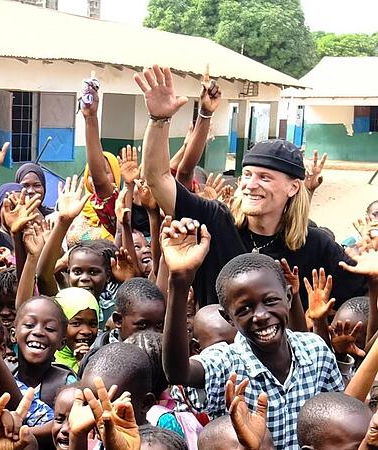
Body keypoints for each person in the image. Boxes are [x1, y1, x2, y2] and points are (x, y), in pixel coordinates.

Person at [136, 64, 366, 307]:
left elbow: (362, 295)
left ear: (293, 188)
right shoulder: (214, 222)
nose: (250, 185)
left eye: (265, 178)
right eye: (247, 174)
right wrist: (159, 120)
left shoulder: (317, 246)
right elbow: (157, 178)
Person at [160, 216, 345, 449]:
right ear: (229, 318)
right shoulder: (226, 363)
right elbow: (178, 373)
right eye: (244, 309)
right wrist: (179, 280)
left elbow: (338, 411)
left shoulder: (316, 351)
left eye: (270, 301)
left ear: (288, 298)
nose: (260, 315)